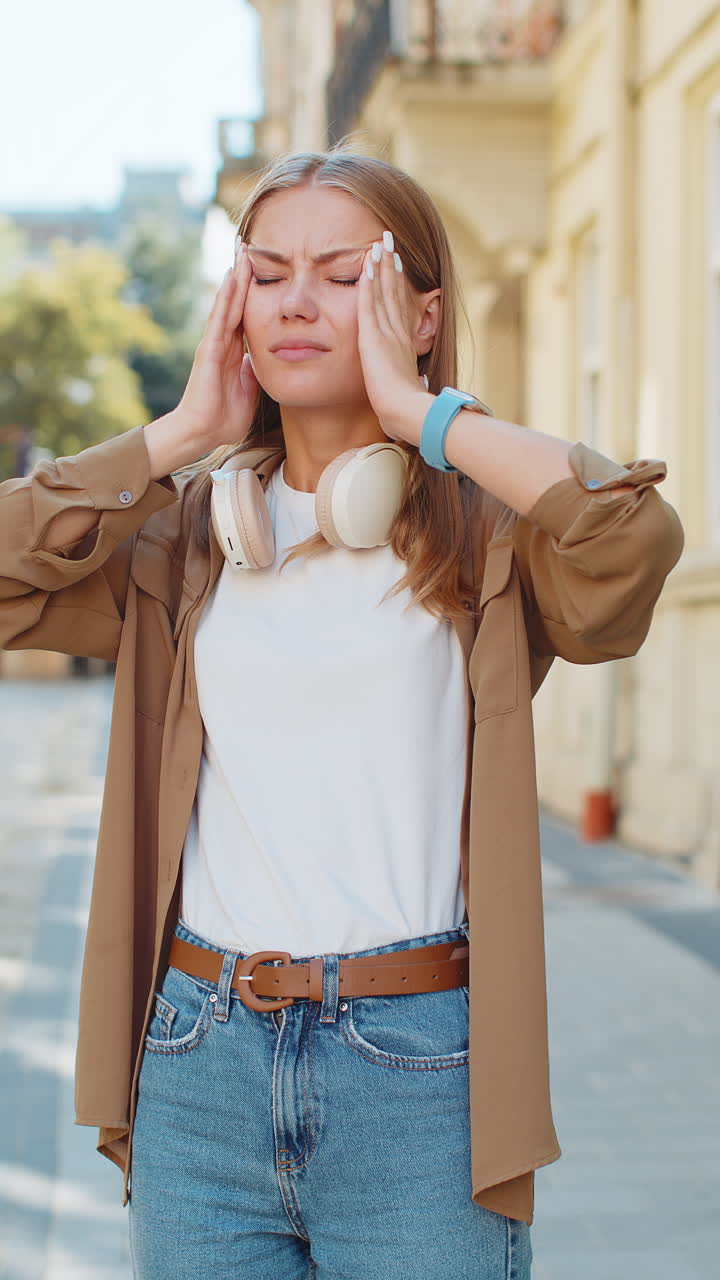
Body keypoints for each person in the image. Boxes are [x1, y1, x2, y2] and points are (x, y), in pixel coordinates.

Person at [0, 147, 684, 1279]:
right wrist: (178, 435)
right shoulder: (181, 540)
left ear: (421, 312)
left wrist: (425, 413)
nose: (297, 303)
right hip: (199, 1059)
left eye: (340, 271)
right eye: (267, 275)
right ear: (235, 309)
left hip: (418, 1076)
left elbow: (632, 539)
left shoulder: (488, 538)